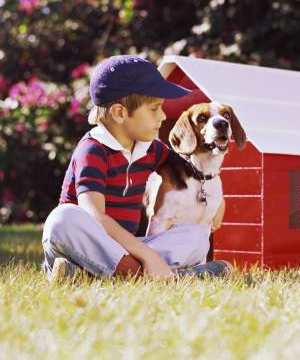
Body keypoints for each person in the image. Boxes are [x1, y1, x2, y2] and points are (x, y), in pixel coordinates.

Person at [41, 55, 232, 283]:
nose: (163, 116)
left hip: (126, 250)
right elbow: (96, 217)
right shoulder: (93, 151)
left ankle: (90, 277)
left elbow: (194, 170)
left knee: (197, 236)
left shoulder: (150, 149)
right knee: (62, 219)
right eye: (154, 109)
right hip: (82, 246)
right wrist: (148, 255)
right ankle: (170, 278)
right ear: (120, 113)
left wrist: (219, 200)